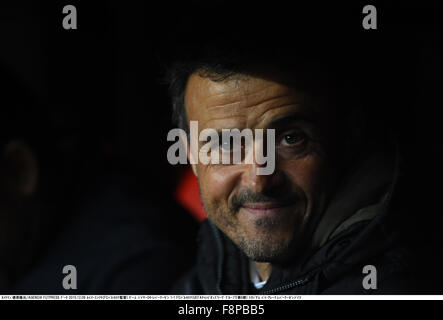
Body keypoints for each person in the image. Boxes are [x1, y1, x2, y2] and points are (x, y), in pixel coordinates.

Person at [164, 19, 443, 294]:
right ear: (191, 156)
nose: (259, 180)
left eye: (290, 139)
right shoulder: (208, 275)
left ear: (347, 137)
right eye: (225, 144)